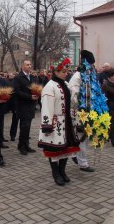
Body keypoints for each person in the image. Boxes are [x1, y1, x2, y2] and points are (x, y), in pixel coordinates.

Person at [38, 57, 80, 186]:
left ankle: (62, 171)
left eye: (66, 71)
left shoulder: (66, 84)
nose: (66, 73)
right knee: (55, 150)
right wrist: (47, 125)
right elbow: (46, 106)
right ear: (56, 72)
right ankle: (56, 173)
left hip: (67, 121)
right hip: (56, 122)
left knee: (67, 148)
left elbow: (73, 99)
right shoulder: (49, 87)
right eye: (63, 71)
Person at [14, 60, 38, 155]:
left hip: (31, 105)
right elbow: (17, 92)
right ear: (22, 66)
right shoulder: (18, 78)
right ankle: (21, 146)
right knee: (24, 126)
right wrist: (29, 97)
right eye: (27, 65)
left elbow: (35, 88)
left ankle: (26, 145)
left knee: (28, 127)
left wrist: (37, 94)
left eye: (30, 64)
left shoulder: (32, 77)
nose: (29, 66)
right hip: (22, 106)